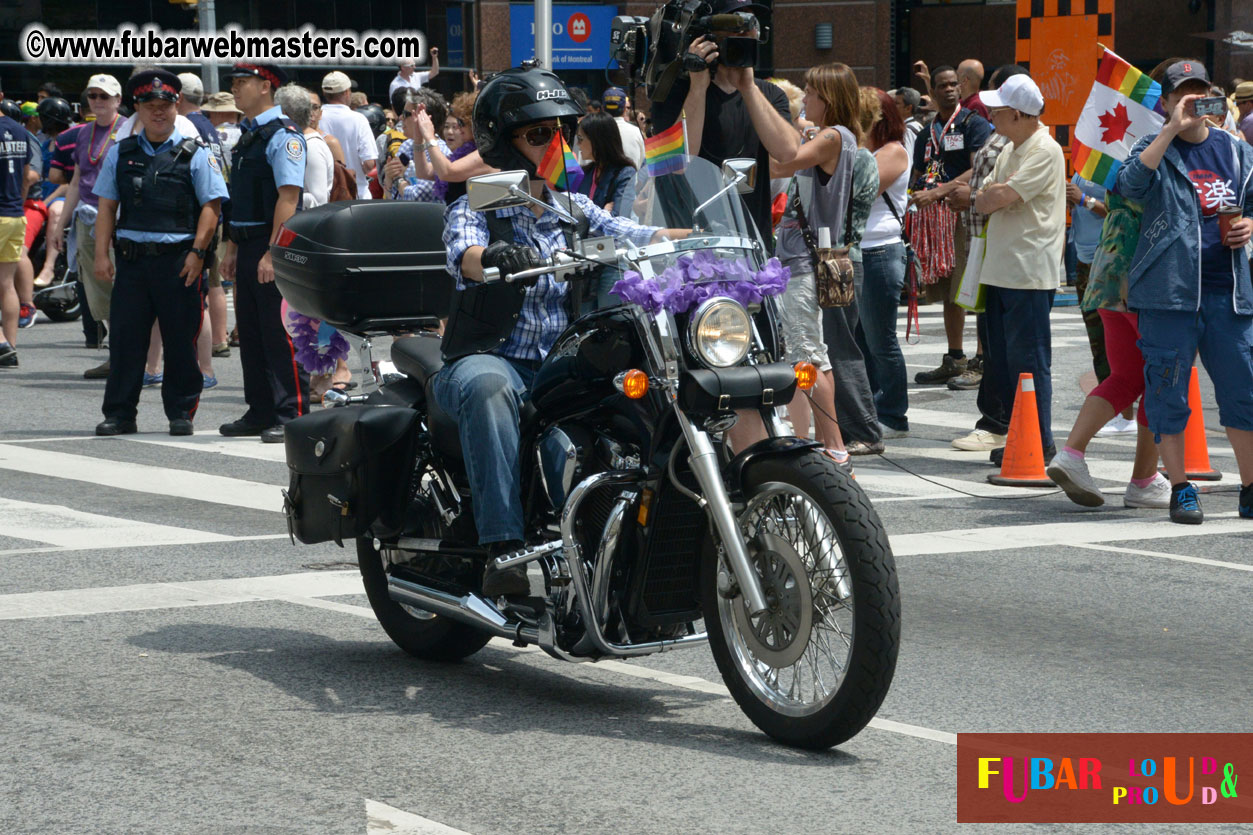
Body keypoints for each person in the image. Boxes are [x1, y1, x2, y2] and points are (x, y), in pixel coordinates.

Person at [432, 65, 687, 597]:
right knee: (487, 387)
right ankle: (502, 548)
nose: (557, 143)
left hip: (559, 367)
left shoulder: (573, 207)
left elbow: (634, 231)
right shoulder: (476, 204)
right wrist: (494, 253)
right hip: (490, 357)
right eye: (539, 134)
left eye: (562, 132)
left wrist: (698, 237)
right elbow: (463, 255)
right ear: (503, 144)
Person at [1116, 60, 1253, 524]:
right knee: (1167, 392)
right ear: (1168, 102)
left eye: (1202, 91)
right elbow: (1128, 187)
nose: (1194, 101)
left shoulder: (1236, 151)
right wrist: (1169, 132)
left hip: (1228, 292)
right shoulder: (1153, 147)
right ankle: (1180, 488)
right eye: (1183, 94)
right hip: (1168, 293)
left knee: (1243, 390)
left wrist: (1250, 225)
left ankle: (1250, 488)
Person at [91, 69, 227, 436]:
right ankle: (120, 414)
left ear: (176, 106)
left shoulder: (194, 154)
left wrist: (198, 254)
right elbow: (106, 206)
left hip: (178, 261)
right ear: (137, 108)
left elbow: (211, 208)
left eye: (165, 105)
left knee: (180, 341)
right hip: (133, 261)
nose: (159, 112)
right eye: (150, 106)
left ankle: (181, 412)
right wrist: (101, 255)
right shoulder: (121, 153)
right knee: (125, 341)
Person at [952, 73, 1065, 466]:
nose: (991, 117)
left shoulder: (1044, 149)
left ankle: (1041, 439)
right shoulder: (1010, 148)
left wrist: (988, 195)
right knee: (1004, 362)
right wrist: (989, 195)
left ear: (1018, 114)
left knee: (1030, 362)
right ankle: (1023, 435)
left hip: (1028, 271)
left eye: (997, 112)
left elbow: (994, 196)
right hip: (1001, 269)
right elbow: (991, 195)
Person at [771, 64, 865, 468]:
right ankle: (805, 440)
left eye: (811, 92)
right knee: (802, 356)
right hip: (802, 259)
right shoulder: (834, 137)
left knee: (809, 356)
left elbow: (783, 163)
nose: (806, 99)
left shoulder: (834, 135)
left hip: (804, 262)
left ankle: (835, 448)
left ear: (829, 97)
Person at [650, 0, 799, 244]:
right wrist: (698, 88)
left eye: (752, 26)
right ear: (709, 36)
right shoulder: (674, 93)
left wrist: (748, 87)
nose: (746, 34)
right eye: (735, 26)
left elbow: (788, 152)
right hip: (692, 244)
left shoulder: (769, 95)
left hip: (752, 243)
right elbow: (675, 163)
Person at [219, 63, 309, 444]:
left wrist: (274, 253)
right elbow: (243, 199)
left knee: (280, 332)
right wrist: (233, 247)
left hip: (273, 244)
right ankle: (260, 410)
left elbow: (288, 197)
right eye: (235, 83)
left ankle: (293, 412)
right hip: (248, 242)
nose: (236, 89)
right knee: (252, 333)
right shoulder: (248, 136)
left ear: (266, 87)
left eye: (243, 83)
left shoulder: (283, 136)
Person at [908, 65, 992, 387]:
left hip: (964, 214)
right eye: (942, 85)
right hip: (933, 221)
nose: (948, 89)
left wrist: (941, 190)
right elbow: (918, 173)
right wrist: (913, 199)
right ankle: (955, 357)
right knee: (948, 294)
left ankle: (982, 360)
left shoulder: (975, 124)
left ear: (961, 87)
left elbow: (979, 169)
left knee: (972, 286)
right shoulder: (926, 131)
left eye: (953, 84)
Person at [48, 73, 124, 380]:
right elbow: (76, 180)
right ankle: (116, 355)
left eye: (104, 96)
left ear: (118, 100)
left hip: (120, 220)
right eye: (92, 96)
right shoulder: (82, 133)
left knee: (126, 290)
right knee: (98, 292)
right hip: (88, 218)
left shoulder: (130, 129)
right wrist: (59, 226)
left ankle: (141, 358)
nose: (97, 102)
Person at [857, 87, 912, 439]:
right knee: (862, 341)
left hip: (880, 251)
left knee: (881, 341)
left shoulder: (893, 152)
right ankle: (872, 407)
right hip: (861, 252)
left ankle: (893, 414)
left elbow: (859, 187)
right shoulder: (867, 151)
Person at [575, 111, 637, 310]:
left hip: (612, 262)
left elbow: (620, 220)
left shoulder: (624, 172)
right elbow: (573, 214)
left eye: (581, 139)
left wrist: (593, 217)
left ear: (597, 140)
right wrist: (603, 211)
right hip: (585, 263)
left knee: (610, 322)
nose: (578, 144)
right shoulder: (584, 174)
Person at [0, 101, 34, 368]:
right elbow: (27, 177)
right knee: (6, 284)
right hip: (14, 214)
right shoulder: (20, 130)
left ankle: (1, 342)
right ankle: (10, 348)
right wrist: (18, 204)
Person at [319, 71, 377, 198]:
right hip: (356, 194)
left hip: (324, 195)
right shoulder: (359, 119)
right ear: (346, 92)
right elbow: (369, 163)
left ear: (324, 93)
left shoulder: (315, 117)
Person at [601, 86, 646, 170]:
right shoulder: (636, 132)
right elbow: (642, 162)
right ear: (625, 109)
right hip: (631, 182)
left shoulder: (593, 131)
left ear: (603, 108)